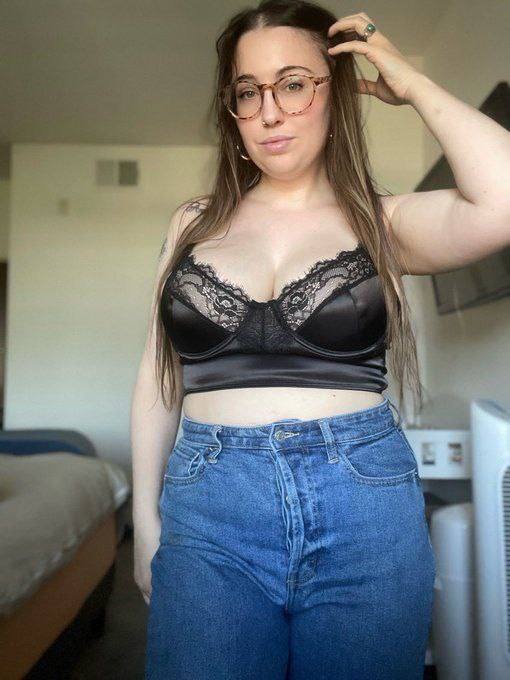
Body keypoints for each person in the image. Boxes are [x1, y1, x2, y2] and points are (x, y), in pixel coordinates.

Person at [131, 1, 510, 678]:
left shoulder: (383, 222)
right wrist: (145, 519)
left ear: (336, 92)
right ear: (232, 109)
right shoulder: (192, 224)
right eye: (249, 92)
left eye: (294, 83)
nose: (270, 111)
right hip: (209, 507)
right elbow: (159, 377)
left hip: (363, 502)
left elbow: (503, 201)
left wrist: (411, 84)